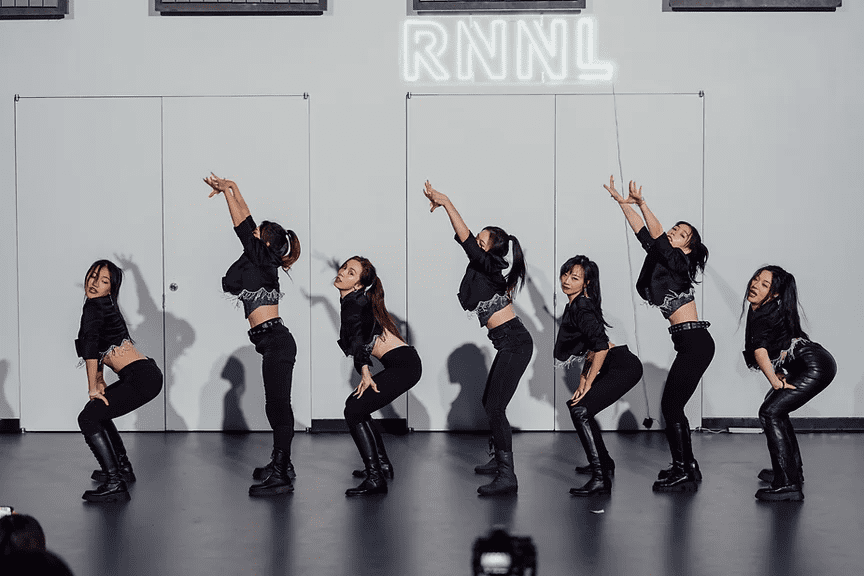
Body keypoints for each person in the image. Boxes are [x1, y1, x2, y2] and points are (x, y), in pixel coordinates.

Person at [423, 181, 532, 496]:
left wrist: (446, 202)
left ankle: (507, 476)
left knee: (495, 407)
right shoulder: (484, 267)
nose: (475, 243)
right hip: (509, 342)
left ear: (489, 249)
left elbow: (464, 237)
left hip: (515, 342)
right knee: (490, 402)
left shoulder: (489, 265)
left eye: (481, 241)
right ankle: (498, 460)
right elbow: (468, 241)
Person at [604, 176, 713, 492]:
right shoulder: (665, 256)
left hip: (695, 343)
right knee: (673, 407)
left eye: (681, 233)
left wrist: (643, 202)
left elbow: (655, 231)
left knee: (671, 407)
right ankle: (687, 466)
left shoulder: (680, 261)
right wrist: (623, 203)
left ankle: (683, 469)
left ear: (687, 247)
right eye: (675, 228)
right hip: (689, 342)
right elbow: (643, 231)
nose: (673, 232)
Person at [204, 174, 301, 497]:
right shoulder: (262, 258)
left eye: (258, 234)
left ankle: (281, 472)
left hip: (276, 342)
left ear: (266, 244)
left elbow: (241, 224)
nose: (253, 233)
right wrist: (232, 188)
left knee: (278, 407)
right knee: (277, 406)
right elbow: (247, 220)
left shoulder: (262, 257)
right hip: (272, 341)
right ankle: (282, 464)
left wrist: (228, 193)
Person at [743, 265, 836, 501]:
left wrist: (775, 381)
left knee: (770, 412)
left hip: (815, 365)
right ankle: (791, 471)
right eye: (756, 279)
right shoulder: (761, 308)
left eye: (764, 284)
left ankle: (787, 483)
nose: (755, 285)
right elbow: (778, 345)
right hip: (811, 363)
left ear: (774, 293)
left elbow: (761, 351)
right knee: (775, 408)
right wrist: (779, 374)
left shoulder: (766, 312)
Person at [75, 260, 163, 502]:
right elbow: (98, 346)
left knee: (88, 417)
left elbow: (91, 347)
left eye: (103, 281)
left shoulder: (94, 307)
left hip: (141, 378)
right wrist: (100, 380)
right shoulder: (105, 305)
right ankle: (122, 468)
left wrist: (92, 387)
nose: (94, 283)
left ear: (111, 288)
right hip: (145, 375)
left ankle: (115, 482)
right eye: (92, 276)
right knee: (98, 412)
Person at [334, 256, 422, 496]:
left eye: (350, 272)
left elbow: (360, 339)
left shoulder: (356, 304)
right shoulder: (354, 300)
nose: (342, 273)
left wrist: (365, 371)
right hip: (407, 364)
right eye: (344, 267)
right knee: (358, 408)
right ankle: (381, 465)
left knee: (354, 409)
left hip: (405, 366)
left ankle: (375, 477)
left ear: (358, 285)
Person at [556, 256, 643, 496]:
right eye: (565, 274)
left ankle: (600, 478)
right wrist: (584, 379)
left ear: (586, 283)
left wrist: (589, 381)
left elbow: (602, 346)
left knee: (580, 410)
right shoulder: (575, 304)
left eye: (575, 277)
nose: (566, 280)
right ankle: (604, 463)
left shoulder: (581, 307)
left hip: (622, 366)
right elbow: (592, 349)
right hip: (613, 364)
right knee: (579, 407)